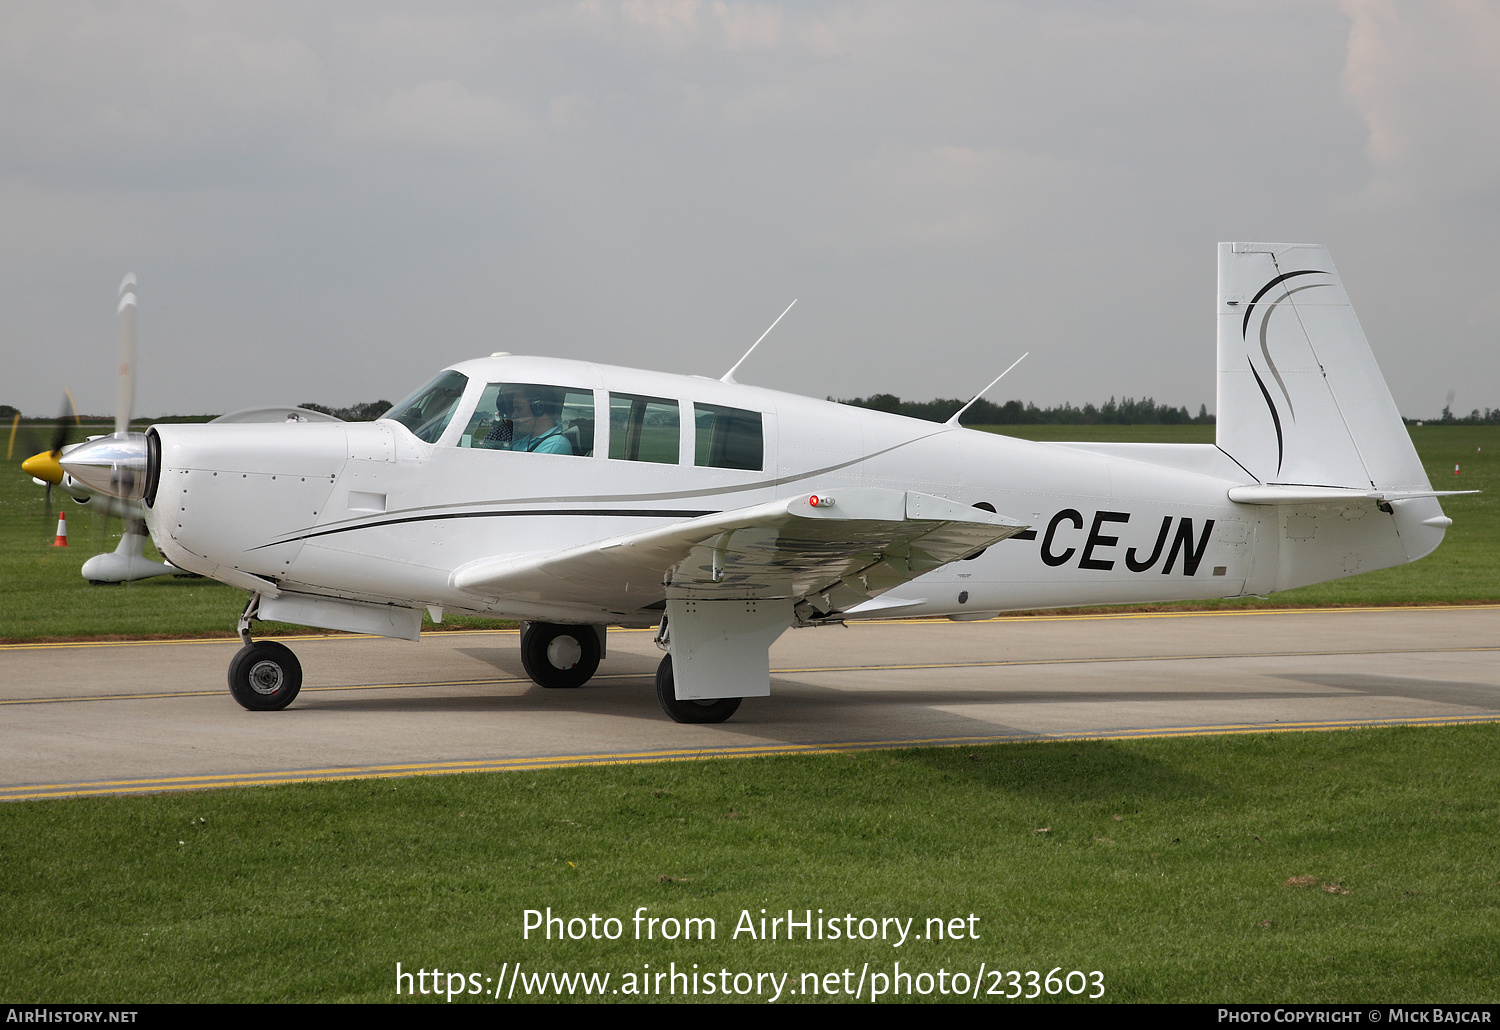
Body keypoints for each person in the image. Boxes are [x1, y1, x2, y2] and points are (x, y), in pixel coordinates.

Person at [486, 385, 574, 455]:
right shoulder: (526, 441)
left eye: (519, 409)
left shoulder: (556, 445)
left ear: (538, 408)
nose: (513, 416)